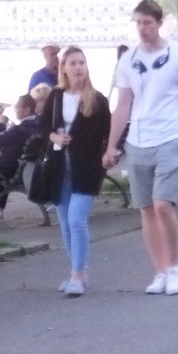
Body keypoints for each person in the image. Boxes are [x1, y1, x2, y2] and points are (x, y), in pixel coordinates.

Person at [103, 0, 178, 295]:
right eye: (138, 22)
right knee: (146, 209)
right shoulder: (128, 61)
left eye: (147, 23)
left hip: (172, 136)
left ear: (159, 23)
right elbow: (123, 105)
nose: (142, 28)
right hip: (138, 139)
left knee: (163, 204)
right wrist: (112, 145)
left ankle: (175, 267)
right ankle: (160, 270)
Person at [40, 46, 111, 296]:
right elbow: (41, 127)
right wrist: (54, 136)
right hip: (60, 167)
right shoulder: (56, 96)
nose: (79, 67)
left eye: (82, 62)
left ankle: (77, 276)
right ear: (64, 69)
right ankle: (76, 269)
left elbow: (110, 132)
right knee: (65, 222)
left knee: (76, 219)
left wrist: (110, 154)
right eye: (73, 63)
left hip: (87, 168)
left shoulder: (97, 99)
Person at [0, 93, 41, 221]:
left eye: (17, 107)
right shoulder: (37, 123)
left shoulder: (20, 129)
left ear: (27, 109)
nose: (15, 110)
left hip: (10, 171)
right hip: (24, 168)